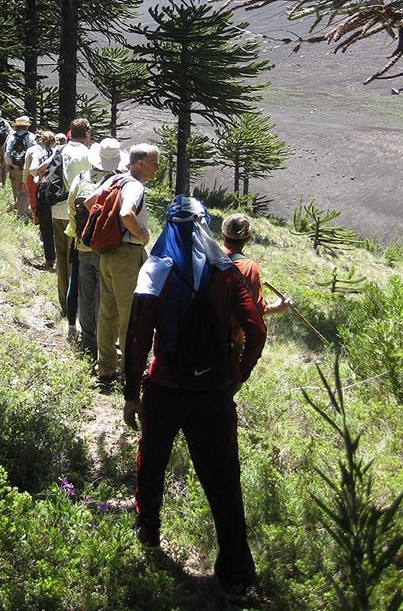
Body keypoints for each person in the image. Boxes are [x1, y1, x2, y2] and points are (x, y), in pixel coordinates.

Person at [123, 196, 266, 598]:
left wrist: (131, 394)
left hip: (166, 388)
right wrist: (238, 375)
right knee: (224, 480)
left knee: (152, 460)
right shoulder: (227, 272)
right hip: (214, 394)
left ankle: (148, 530)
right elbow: (256, 329)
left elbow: (138, 339)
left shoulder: (155, 268)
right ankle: (235, 574)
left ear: (169, 226)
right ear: (205, 226)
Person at [87, 143, 159, 388]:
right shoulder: (135, 186)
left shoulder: (115, 179)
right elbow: (127, 213)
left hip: (107, 253)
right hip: (127, 255)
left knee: (107, 312)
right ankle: (130, 372)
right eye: (153, 163)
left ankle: (105, 369)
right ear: (139, 164)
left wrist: (109, 233)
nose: (156, 168)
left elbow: (89, 203)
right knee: (130, 316)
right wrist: (141, 235)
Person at [67, 137, 129, 360]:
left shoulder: (80, 179)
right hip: (107, 248)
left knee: (85, 294)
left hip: (83, 245)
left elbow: (71, 210)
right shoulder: (118, 184)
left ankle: (87, 341)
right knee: (103, 299)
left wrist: (79, 235)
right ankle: (103, 346)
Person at [220, 214, 292, 348]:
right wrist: (277, 307)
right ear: (248, 238)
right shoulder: (249, 267)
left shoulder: (209, 256)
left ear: (223, 233)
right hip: (227, 341)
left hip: (197, 333)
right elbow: (255, 311)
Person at [51, 118, 94, 320]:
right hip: (74, 215)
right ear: (86, 133)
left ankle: (63, 301)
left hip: (55, 210)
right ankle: (73, 306)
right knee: (73, 261)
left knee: (61, 258)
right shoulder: (86, 155)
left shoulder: (60, 150)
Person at [32, 131, 58, 267]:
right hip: (56, 189)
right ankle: (60, 256)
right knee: (58, 225)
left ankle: (49, 258)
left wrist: (41, 177)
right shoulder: (58, 152)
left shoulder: (39, 153)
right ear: (54, 141)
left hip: (42, 189)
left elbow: (34, 169)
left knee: (45, 225)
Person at [4, 115, 36, 220]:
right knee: (25, 190)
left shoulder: (11, 136)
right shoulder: (31, 136)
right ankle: (22, 213)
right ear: (26, 127)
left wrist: (9, 165)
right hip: (26, 167)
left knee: (16, 188)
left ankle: (18, 207)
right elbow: (34, 152)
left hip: (14, 167)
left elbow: (7, 153)